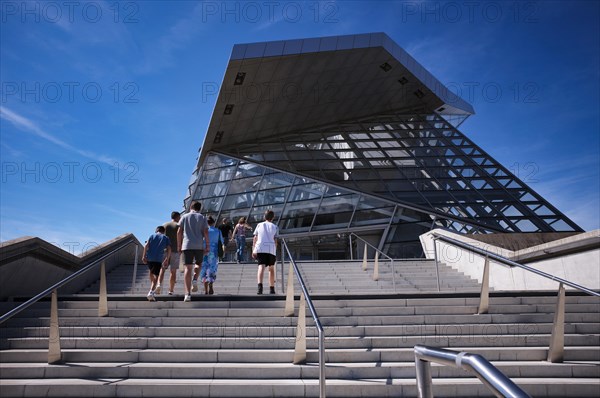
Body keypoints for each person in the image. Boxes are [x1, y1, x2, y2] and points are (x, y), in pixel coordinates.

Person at [177, 201, 209, 302]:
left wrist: (179, 245)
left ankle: (187, 294)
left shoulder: (184, 216)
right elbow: (205, 232)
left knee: (187, 268)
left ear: (191, 207)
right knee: (199, 263)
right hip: (199, 245)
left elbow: (179, 232)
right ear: (199, 208)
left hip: (186, 245)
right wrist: (207, 245)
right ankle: (195, 279)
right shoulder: (202, 217)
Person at [252, 210, 279, 295]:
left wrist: (253, 249)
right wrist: (275, 251)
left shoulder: (259, 225)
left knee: (261, 267)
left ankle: (260, 288)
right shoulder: (275, 227)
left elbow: (255, 238)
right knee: (271, 269)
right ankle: (272, 288)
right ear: (273, 217)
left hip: (260, 247)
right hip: (271, 248)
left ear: (264, 217)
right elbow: (275, 240)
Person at [142, 226, 171, 301]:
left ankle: (153, 287)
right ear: (163, 231)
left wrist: (143, 256)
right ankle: (151, 292)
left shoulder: (152, 236)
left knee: (151, 272)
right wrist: (167, 259)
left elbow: (146, 245)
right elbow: (169, 248)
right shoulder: (165, 237)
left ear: (156, 230)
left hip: (149, 257)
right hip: (158, 258)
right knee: (156, 276)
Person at [155, 211, 181, 295]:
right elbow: (181, 237)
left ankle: (159, 284)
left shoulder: (164, 225)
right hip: (175, 251)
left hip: (164, 251)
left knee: (162, 269)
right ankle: (171, 290)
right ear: (177, 217)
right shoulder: (178, 226)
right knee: (173, 272)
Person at [200, 216, 224, 295]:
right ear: (213, 223)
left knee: (204, 268)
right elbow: (222, 242)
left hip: (204, 251)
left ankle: (206, 289)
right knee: (211, 268)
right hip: (214, 252)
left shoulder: (203, 231)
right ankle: (211, 283)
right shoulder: (218, 231)